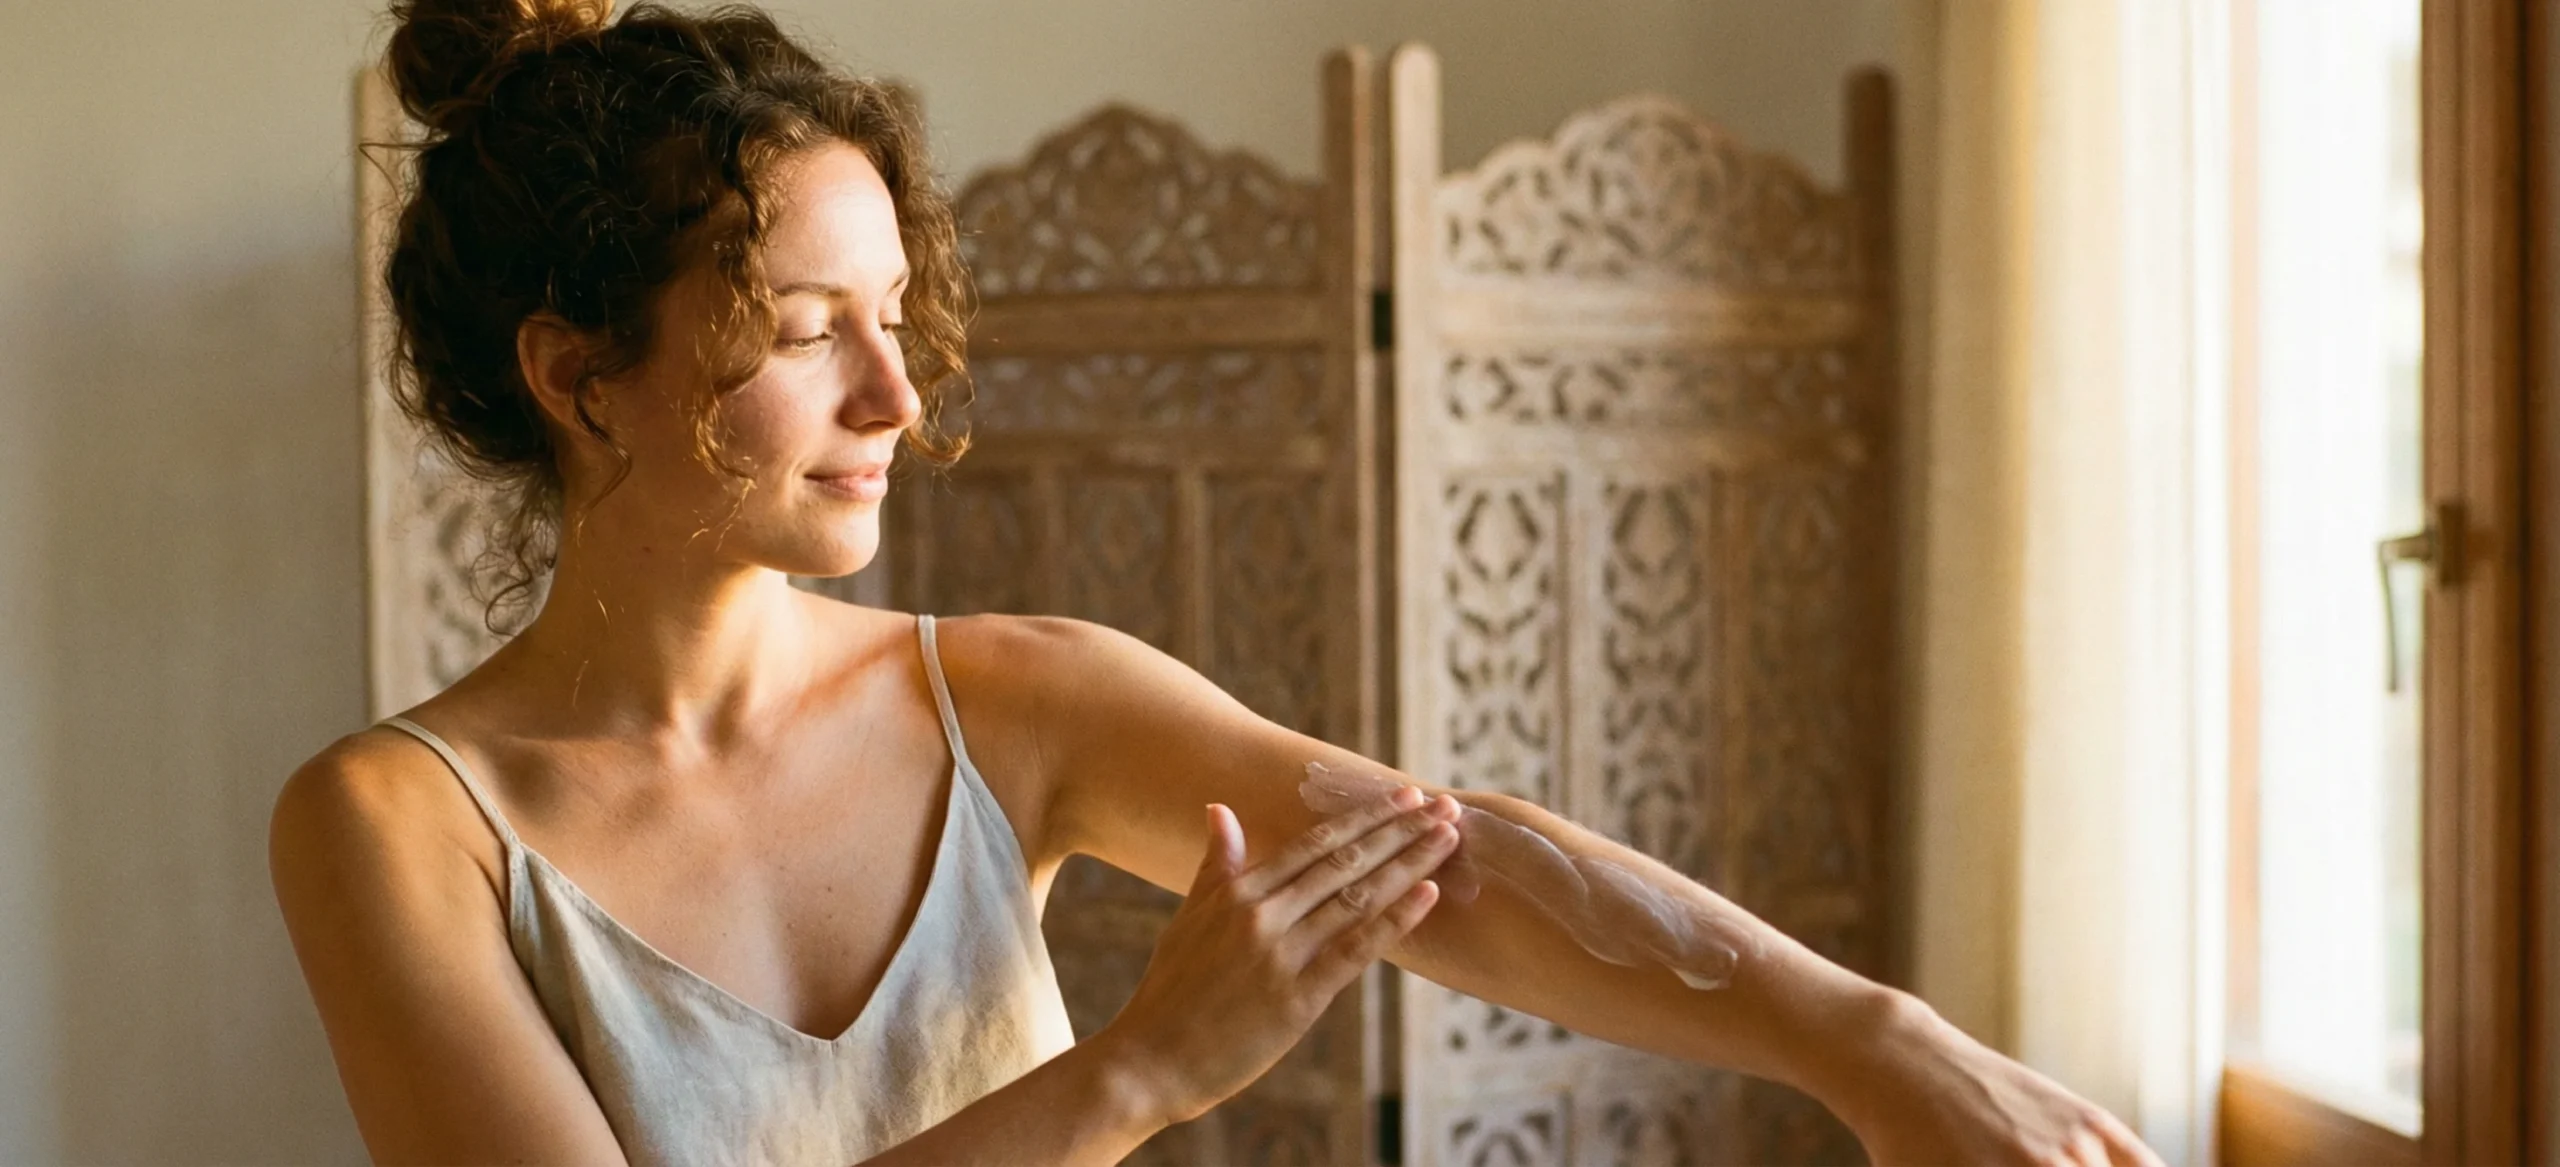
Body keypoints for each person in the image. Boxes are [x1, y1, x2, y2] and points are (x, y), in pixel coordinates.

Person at [268, 1, 2166, 1164]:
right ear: (575, 368)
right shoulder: (396, 825)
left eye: (899, 317)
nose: (896, 392)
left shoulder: (1006, 698)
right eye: (802, 327)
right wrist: (1147, 1069)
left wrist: (1877, 1043)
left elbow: (1449, 860)